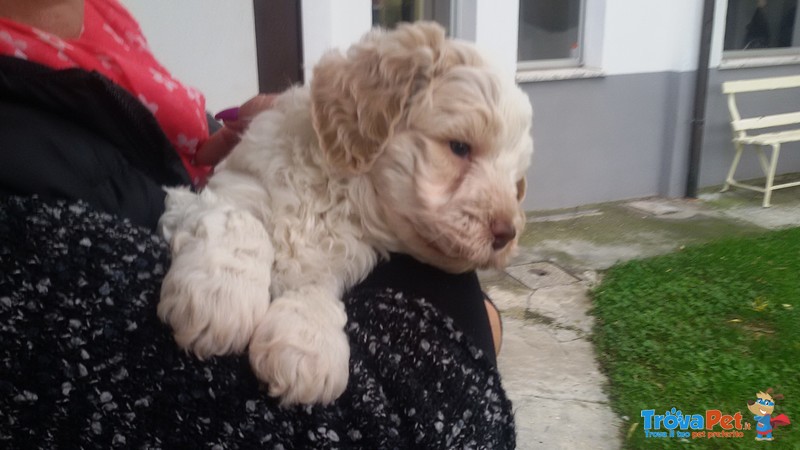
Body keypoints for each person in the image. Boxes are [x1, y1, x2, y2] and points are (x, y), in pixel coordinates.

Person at [0, 1, 514, 448]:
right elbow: (425, 423)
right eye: (460, 149)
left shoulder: (104, 22)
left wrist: (216, 144)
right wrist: (467, 315)